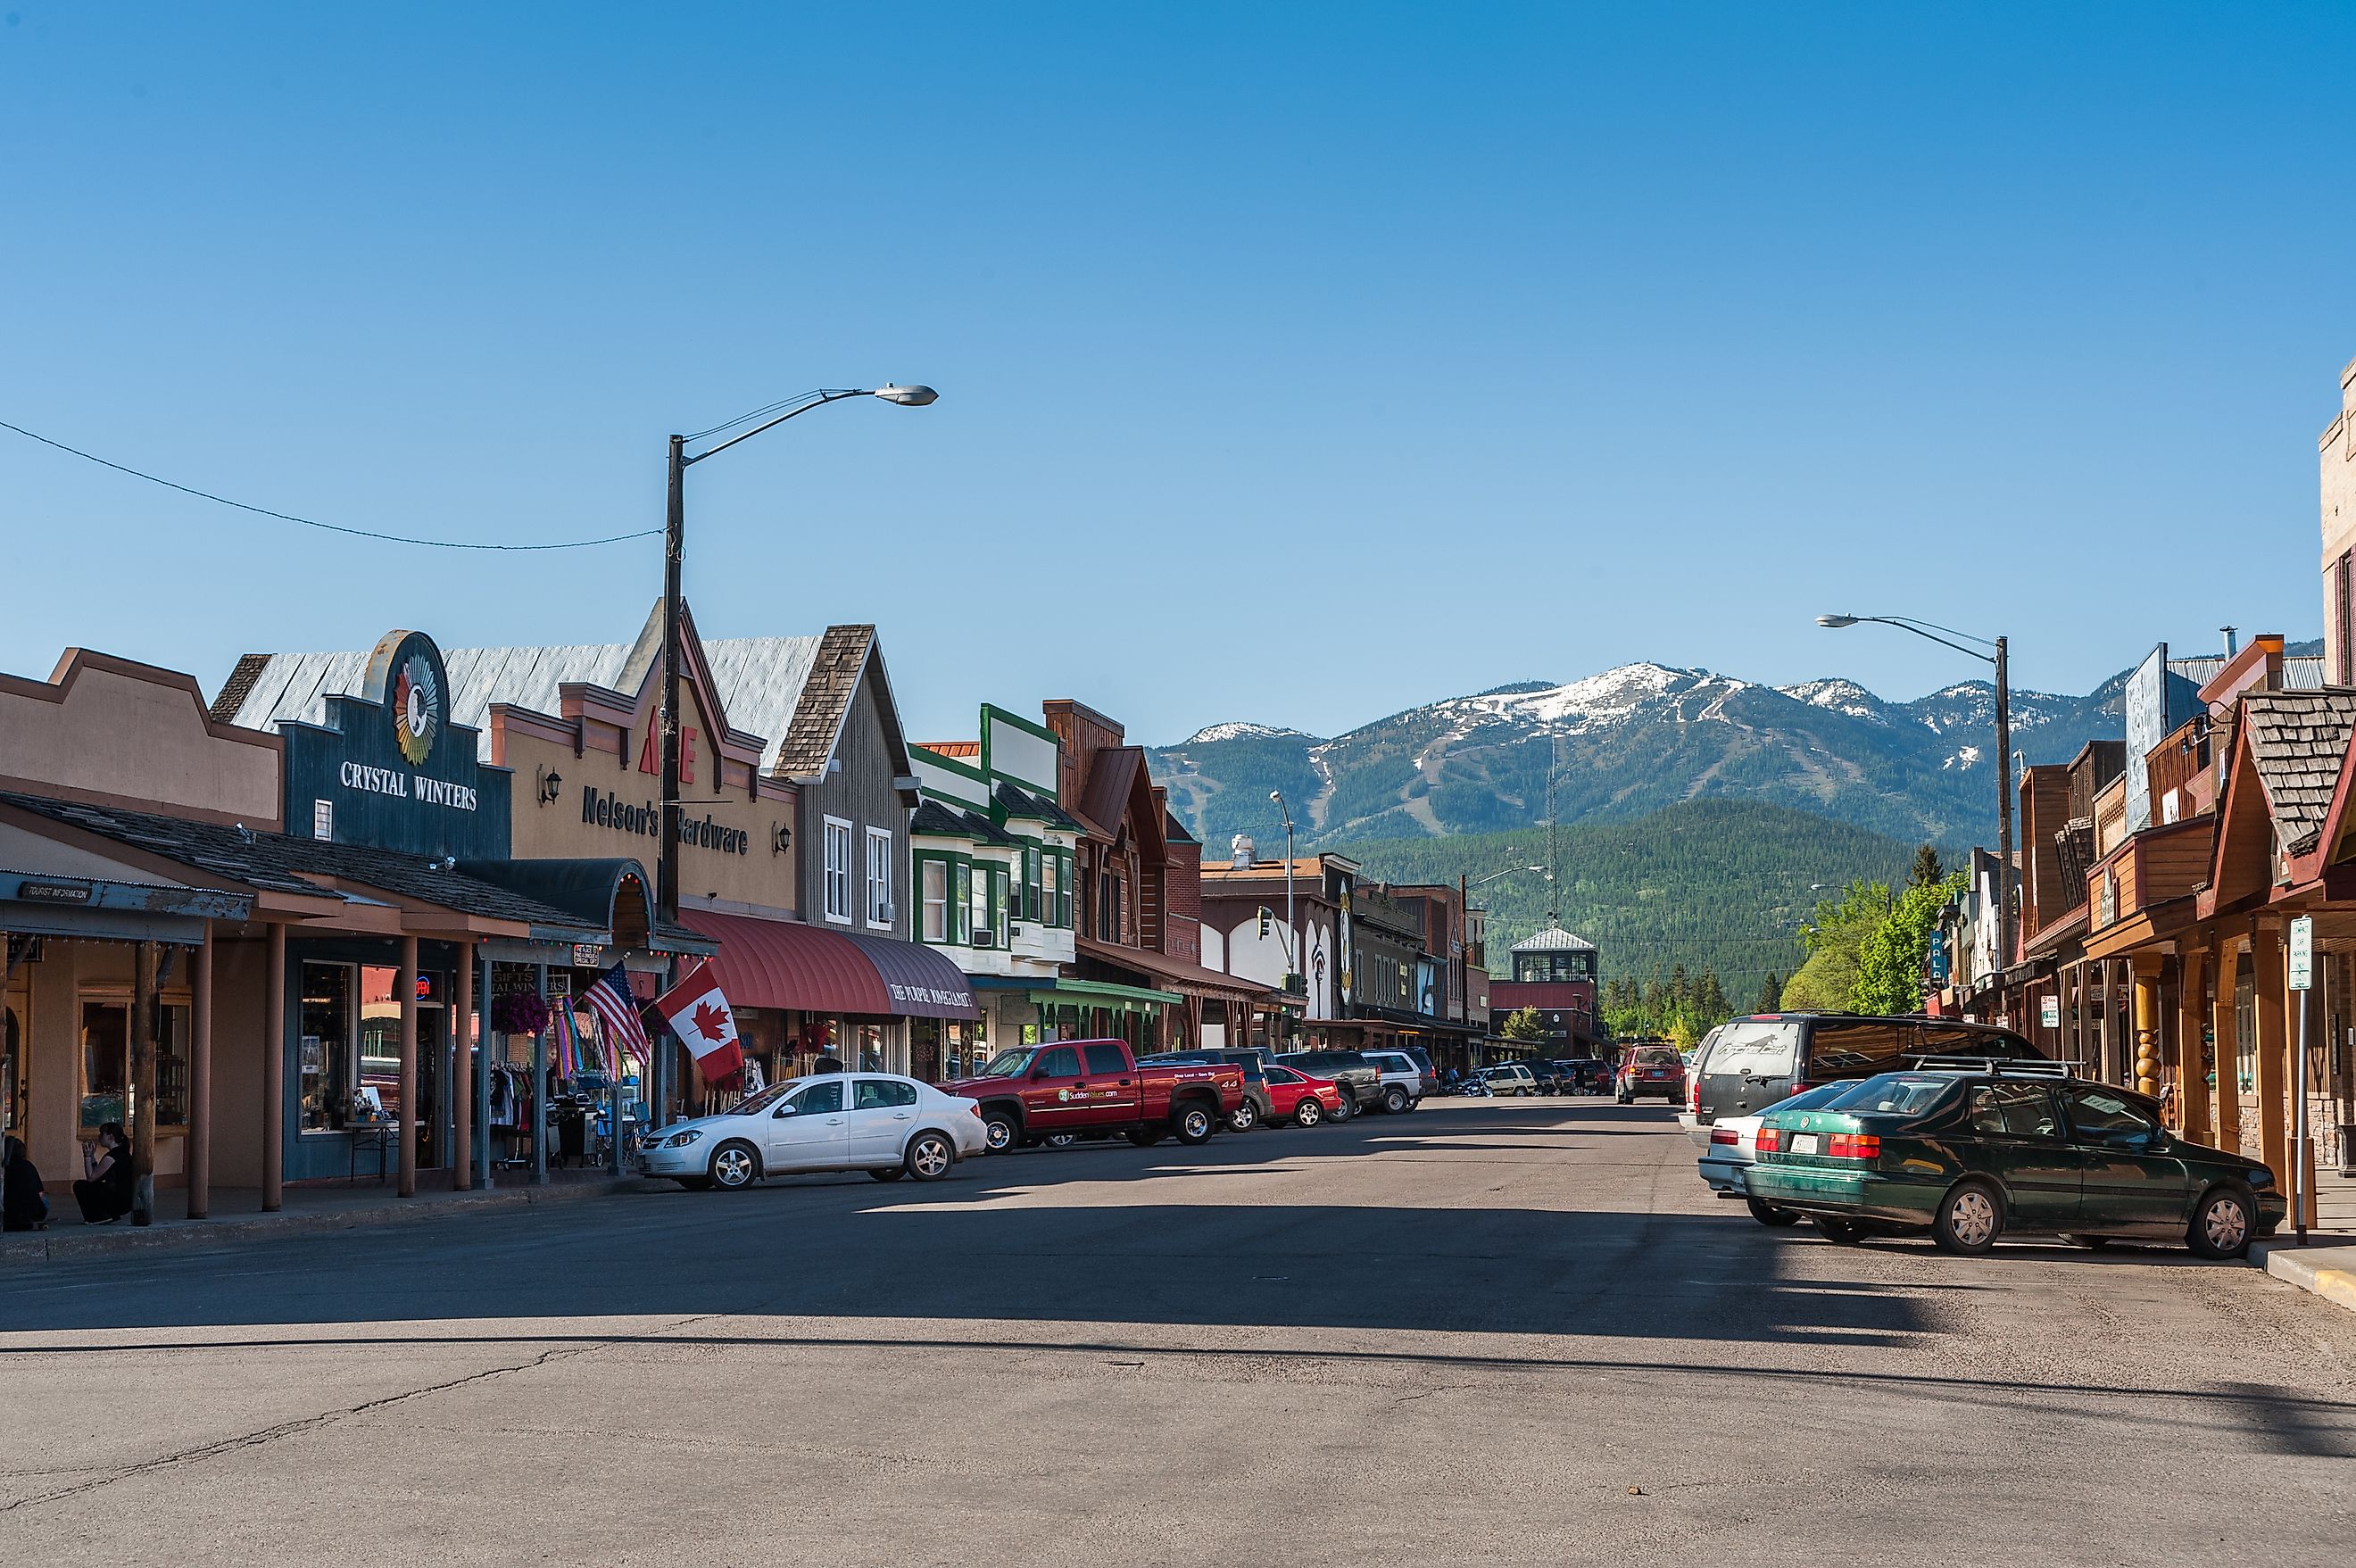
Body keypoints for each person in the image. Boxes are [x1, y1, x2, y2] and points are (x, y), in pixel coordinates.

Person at [73, 1122, 133, 1224]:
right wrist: (92, 1156)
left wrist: (87, 1156)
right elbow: (98, 1175)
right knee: (94, 1186)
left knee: (80, 1186)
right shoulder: (121, 1153)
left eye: (102, 1133)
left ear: (110, 1137)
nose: (99, 1136)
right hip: (126, 1200)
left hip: (120, 1200)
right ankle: (104, 1214)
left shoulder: (112, 1156)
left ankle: (97, 1217)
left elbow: (91, 1177)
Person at [2, 1134, 46, 1231]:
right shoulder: (28, 1166)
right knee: (45, 1200)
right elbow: (40, 1193)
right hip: (33, 1214)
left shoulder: (4, 1169)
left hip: (8, 1214)